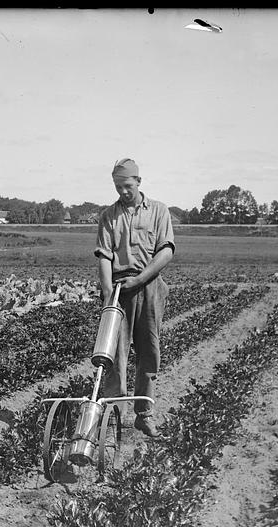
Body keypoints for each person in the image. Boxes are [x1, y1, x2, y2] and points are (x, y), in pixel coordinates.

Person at [94, 158, 175, 437]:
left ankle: (144, 414)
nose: (123, 192)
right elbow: (105, 256)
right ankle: (114, 416)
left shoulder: (159, 211)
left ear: (139, 182)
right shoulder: (108, 216)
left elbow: (166, 252)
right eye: (118, 186)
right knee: (116, 352)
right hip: (119, 289)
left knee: (149, 351)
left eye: (127, 186)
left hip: (150, 284)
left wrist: (140, 279)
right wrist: (108, 295)